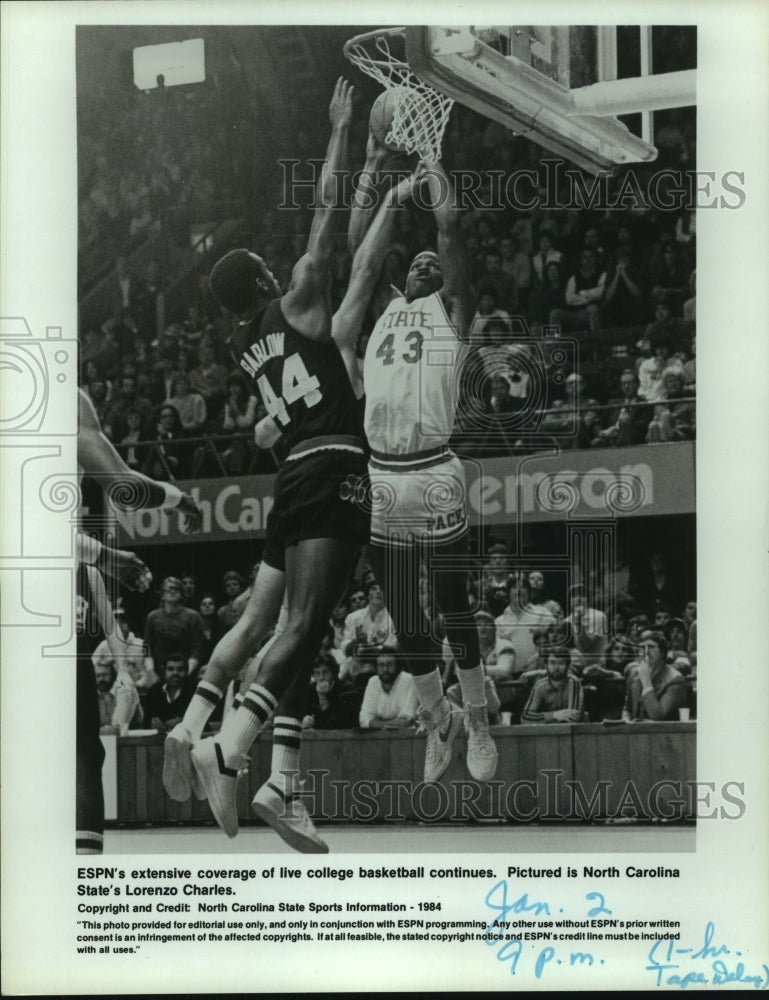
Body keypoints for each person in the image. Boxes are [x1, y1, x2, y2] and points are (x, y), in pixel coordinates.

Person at [167, 80, 396, 854]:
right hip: (334, 464)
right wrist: (338, 134)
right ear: (267, 280)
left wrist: (376, 171)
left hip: (293, 475)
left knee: (281, 621)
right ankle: (228, 749)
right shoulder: (298, 300)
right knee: (303, 624)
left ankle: (220, 736)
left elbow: (354, 252)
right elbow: (330, 220)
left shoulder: (250, 342)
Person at [354, 157, 498, 784]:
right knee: (405, 615)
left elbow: (452, 230)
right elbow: (362, 249)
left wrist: (436, 178)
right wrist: (391, 188)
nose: (424, 263)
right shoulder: (383, 308)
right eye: (415, 263)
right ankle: (436, 719)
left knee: (452, 603)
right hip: (382, 474)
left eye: (432, 266)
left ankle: (478, 715)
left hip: (435, 467)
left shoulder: (452, 312)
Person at [76, 388, 200, 854]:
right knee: (82, 753)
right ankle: (81, 886)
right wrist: (177, 498)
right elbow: (124, 486)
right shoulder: (65, 400)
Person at [622, 630, 688, 721]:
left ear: (662, 653)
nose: (646, 652)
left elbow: (658, 716)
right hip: (635, 732)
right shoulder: (633, 675)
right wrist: (627, 723)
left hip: (664, 733)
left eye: (651, 647)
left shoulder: (676, 679)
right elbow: (627, 709)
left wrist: (646, 681)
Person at [521, 646, 584, 723]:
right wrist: (555, 715)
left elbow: (573, 717)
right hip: (547, 732)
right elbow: (525, 717)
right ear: (546, 665)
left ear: (568, 665)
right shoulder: (540, 686)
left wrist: (544, 719)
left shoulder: (573, 682)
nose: (556, 667)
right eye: (552, 663)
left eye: (561, 663)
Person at [358, 649, 419, 730]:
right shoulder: (373, 682)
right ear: (376, 667)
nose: (385, 669)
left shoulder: (408, 680)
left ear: (397, 666)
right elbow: (363, 719)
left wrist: (376, 723)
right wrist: (391, 723)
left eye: (390, 664)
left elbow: (407, 721)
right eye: (381, 665)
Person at [302, 651, 361, 731]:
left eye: (325, 672)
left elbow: (340, 723)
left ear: (334, 672)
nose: (321, 677)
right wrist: (304, 720)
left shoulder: (348, 689)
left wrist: (322, 697)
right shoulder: (309, 690)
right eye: (317, 673)